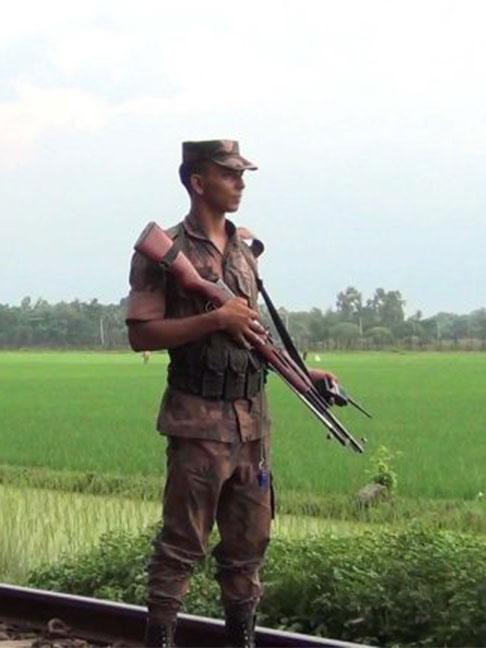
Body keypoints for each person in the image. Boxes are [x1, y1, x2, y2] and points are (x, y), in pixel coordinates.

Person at [126, 141, 336, 647]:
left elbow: (256, 335)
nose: (240, 184)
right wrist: (214, 318)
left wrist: (307, 375)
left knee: (249, 548)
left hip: (251, 425)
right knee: (181, 547)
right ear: (198, 182)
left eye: (242, 175)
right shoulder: (166, 251)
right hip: (198, 422)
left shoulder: (245, 252)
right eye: (229, 175)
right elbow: (142, 335)